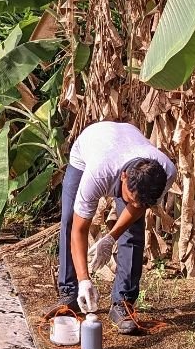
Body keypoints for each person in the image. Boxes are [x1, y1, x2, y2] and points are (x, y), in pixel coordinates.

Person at [52, 121, 176, 334]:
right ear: (124, 177)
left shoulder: (165, 171)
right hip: (90, 148)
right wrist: (85, 280)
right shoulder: (98, 173)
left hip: (126, 141)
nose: (135, 206)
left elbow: (138, 207)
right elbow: (79, 230)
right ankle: (70, 293)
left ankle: (123, 303)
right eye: (131, 198)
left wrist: (111, 237)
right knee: (70, 219)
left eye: (142, 203)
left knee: (133, 230)